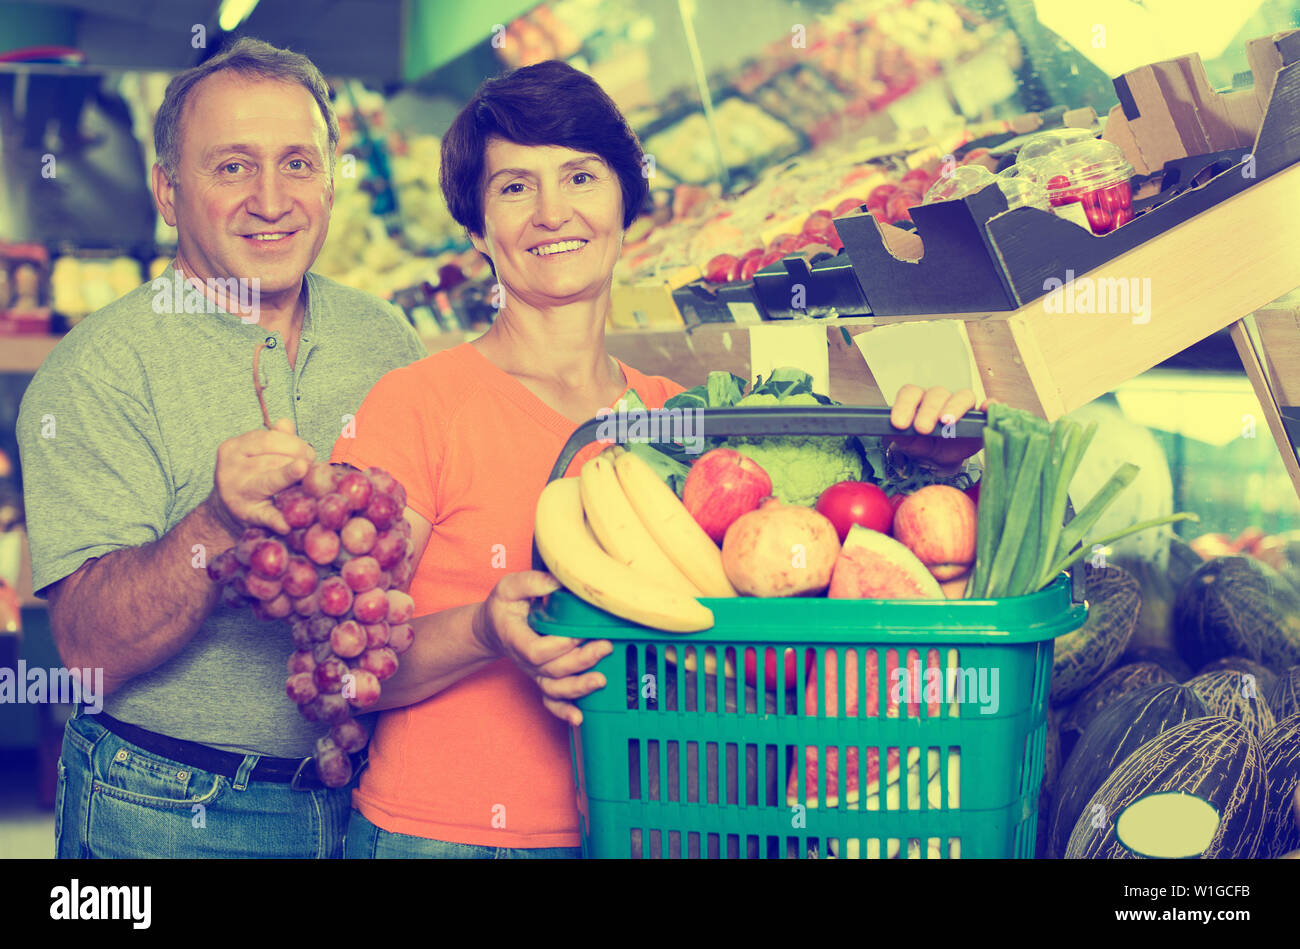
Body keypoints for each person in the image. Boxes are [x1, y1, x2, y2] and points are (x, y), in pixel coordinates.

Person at [333, 60, 981, 859]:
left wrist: (923, 464)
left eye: (581, 175)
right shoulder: (413, 405)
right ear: (476, 228)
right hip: (449, 840)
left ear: (624, 203)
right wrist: (481, 629)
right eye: (513, 188)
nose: (552, 212)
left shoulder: (682, 423)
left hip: (651, 831)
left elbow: (774, 624)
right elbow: (343, 669)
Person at [16, 38, 427, 858]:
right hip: (166, 810)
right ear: (168, 192)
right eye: (232, 167)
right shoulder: (95, 371)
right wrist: (214, 526)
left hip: (375, 799)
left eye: (298, 164)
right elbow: (86, 652)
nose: (270, 199)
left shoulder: (387, 339)